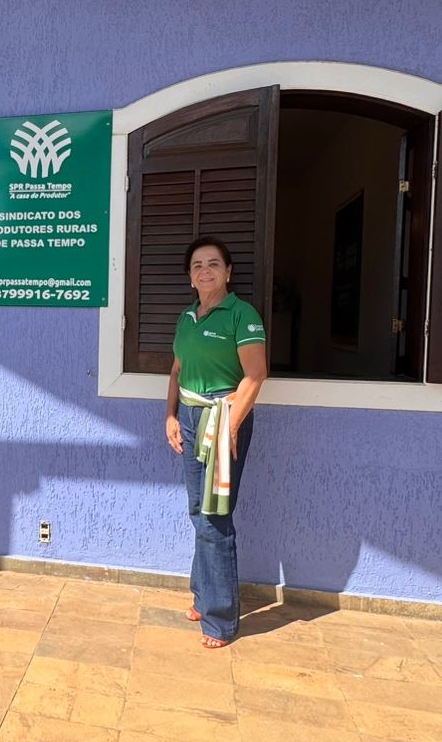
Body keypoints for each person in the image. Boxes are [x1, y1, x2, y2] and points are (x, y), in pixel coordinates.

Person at [164, 236, 268, 648]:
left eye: (212, 264)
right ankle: (203, 595)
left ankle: (221, 619)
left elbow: (256, 375)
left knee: (215, 516)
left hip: (224, 418)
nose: (204, 271)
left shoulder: (242, 315)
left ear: (228, 272)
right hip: (190, 418)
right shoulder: (187, 317)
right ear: (190, 278)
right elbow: (177, 370)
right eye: (197, 266)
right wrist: (170, 416)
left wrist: (231, 427)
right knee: (198, 510)